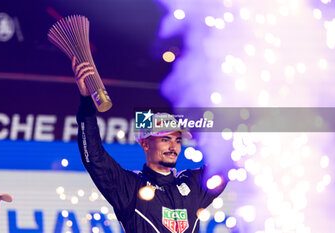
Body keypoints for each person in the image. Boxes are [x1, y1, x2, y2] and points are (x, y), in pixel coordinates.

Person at [73, 57, 228, 233]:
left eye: (177, 140)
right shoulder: (130, 188)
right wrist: (86, 102)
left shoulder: (192, 185)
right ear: (145, 144)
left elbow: (227, 164)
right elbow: (94, 159)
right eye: (165, 139)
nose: (173, 147)